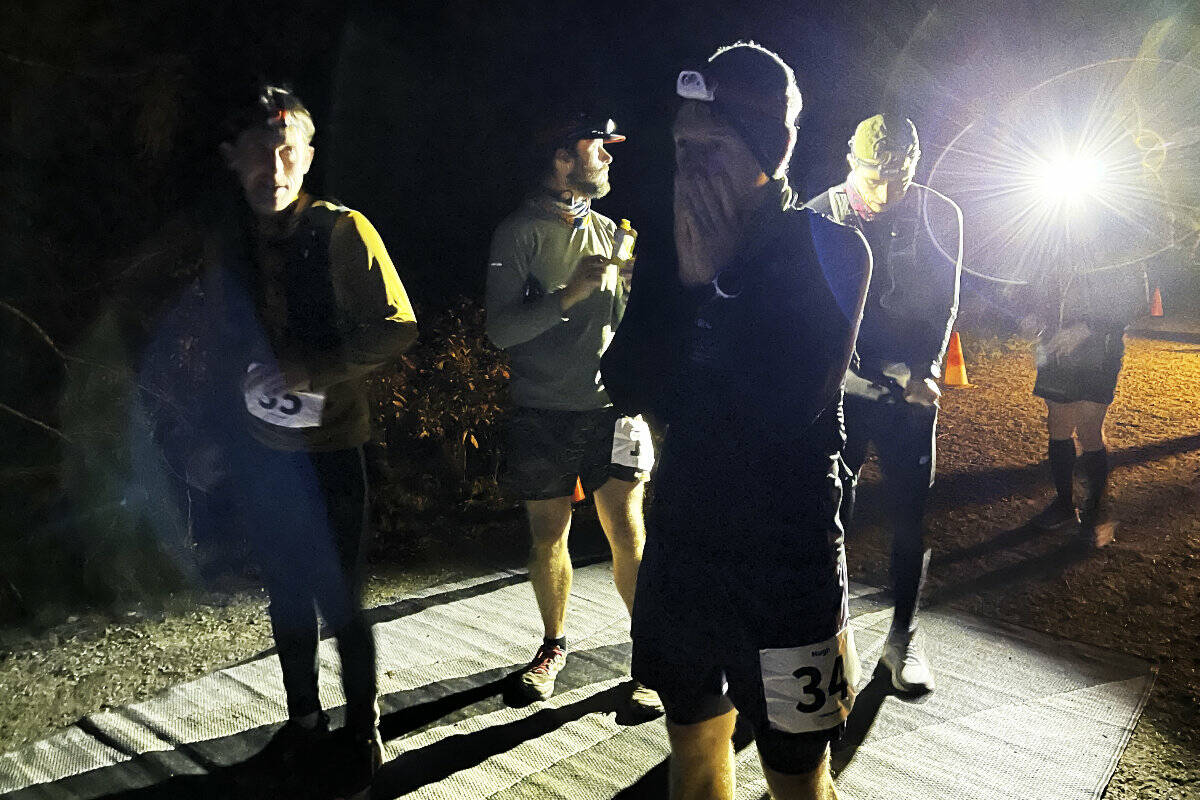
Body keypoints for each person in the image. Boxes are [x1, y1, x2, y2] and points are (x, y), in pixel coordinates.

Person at [605, 42, 871, 800]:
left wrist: (708, 290)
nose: (690, 165)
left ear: (769, 148)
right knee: (693, 750)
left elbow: (787, 405)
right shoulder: (671, 242)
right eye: (683, 146)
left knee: (797, 774)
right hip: (684, 538)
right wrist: (684, 284)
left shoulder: (830, 248)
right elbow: (621, 380)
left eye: (712, 145)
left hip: (788, 557)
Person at [197, 85, 417, 796]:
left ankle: (363, 726)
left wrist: (314, 367)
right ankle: (303, 721)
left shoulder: (342, 229)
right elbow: (220, 339)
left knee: (340, 597)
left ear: (309, 155)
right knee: (285, 597)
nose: (275, 165)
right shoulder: (230, 241)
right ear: (234, 161)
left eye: (289, 149)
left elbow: (397, 324)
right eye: (260, 152)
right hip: (266, 452)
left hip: (332, 448)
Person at [485, 107, 662, 716]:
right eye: (598, 148)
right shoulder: (518, 233)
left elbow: (634, 325)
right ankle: (552, 648)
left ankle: (652, 659)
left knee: (628, 530)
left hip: (614, 407)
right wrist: (569, 295)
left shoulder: (616, 232)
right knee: (547, 536)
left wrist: (636, 289)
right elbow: (501, 330)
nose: (609, 158)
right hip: (542, 407)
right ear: (564, 159)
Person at [805, 114, 963, 694]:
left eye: (899, 175)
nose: (886, 190)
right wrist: (863, 371)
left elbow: (944, 303)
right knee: (827, 512)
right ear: (852, 160)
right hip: (840, 388)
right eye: (874, 174)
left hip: (909, 393)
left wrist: (921, 368)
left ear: (915, 163)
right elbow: (816, 311)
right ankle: (828, 633)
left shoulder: (939, 213)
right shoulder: (820, 211)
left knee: (909, 516)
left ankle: (903, 639)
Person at [1026, 262, 1148, 547]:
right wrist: (1031, 315)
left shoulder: (1117, 243)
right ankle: (1064, 505)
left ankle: (1095, 510)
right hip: (1057, 349)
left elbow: (1135, 301)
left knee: (1089, 430)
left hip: (1098, 354)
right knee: (1057, 425)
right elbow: (1039, 287)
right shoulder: (1055, 238)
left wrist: (1088, 327)